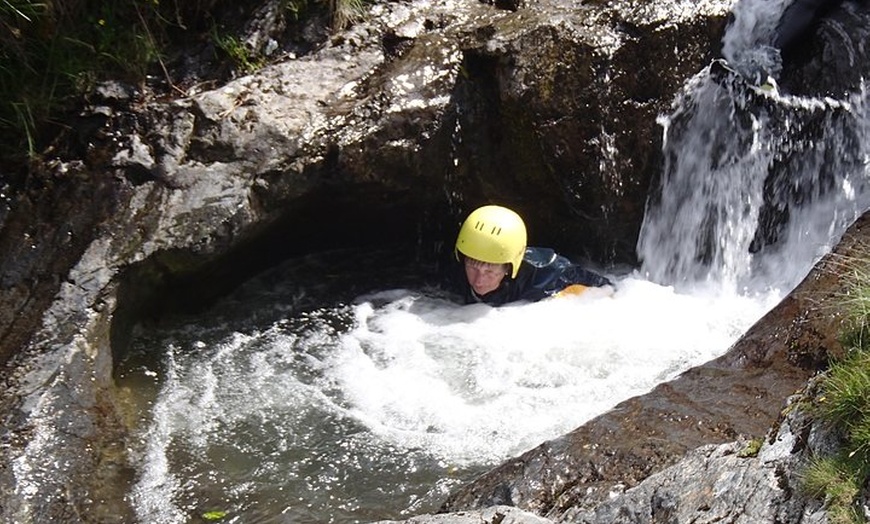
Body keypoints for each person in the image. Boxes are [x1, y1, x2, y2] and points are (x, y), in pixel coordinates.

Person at [451, 204, 612, 305]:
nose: (478, 281)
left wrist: (567, 298)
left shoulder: (549, 273)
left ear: (509, 267)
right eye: (473, 268)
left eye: (489, 272)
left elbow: (608, 289)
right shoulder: (453, 269)